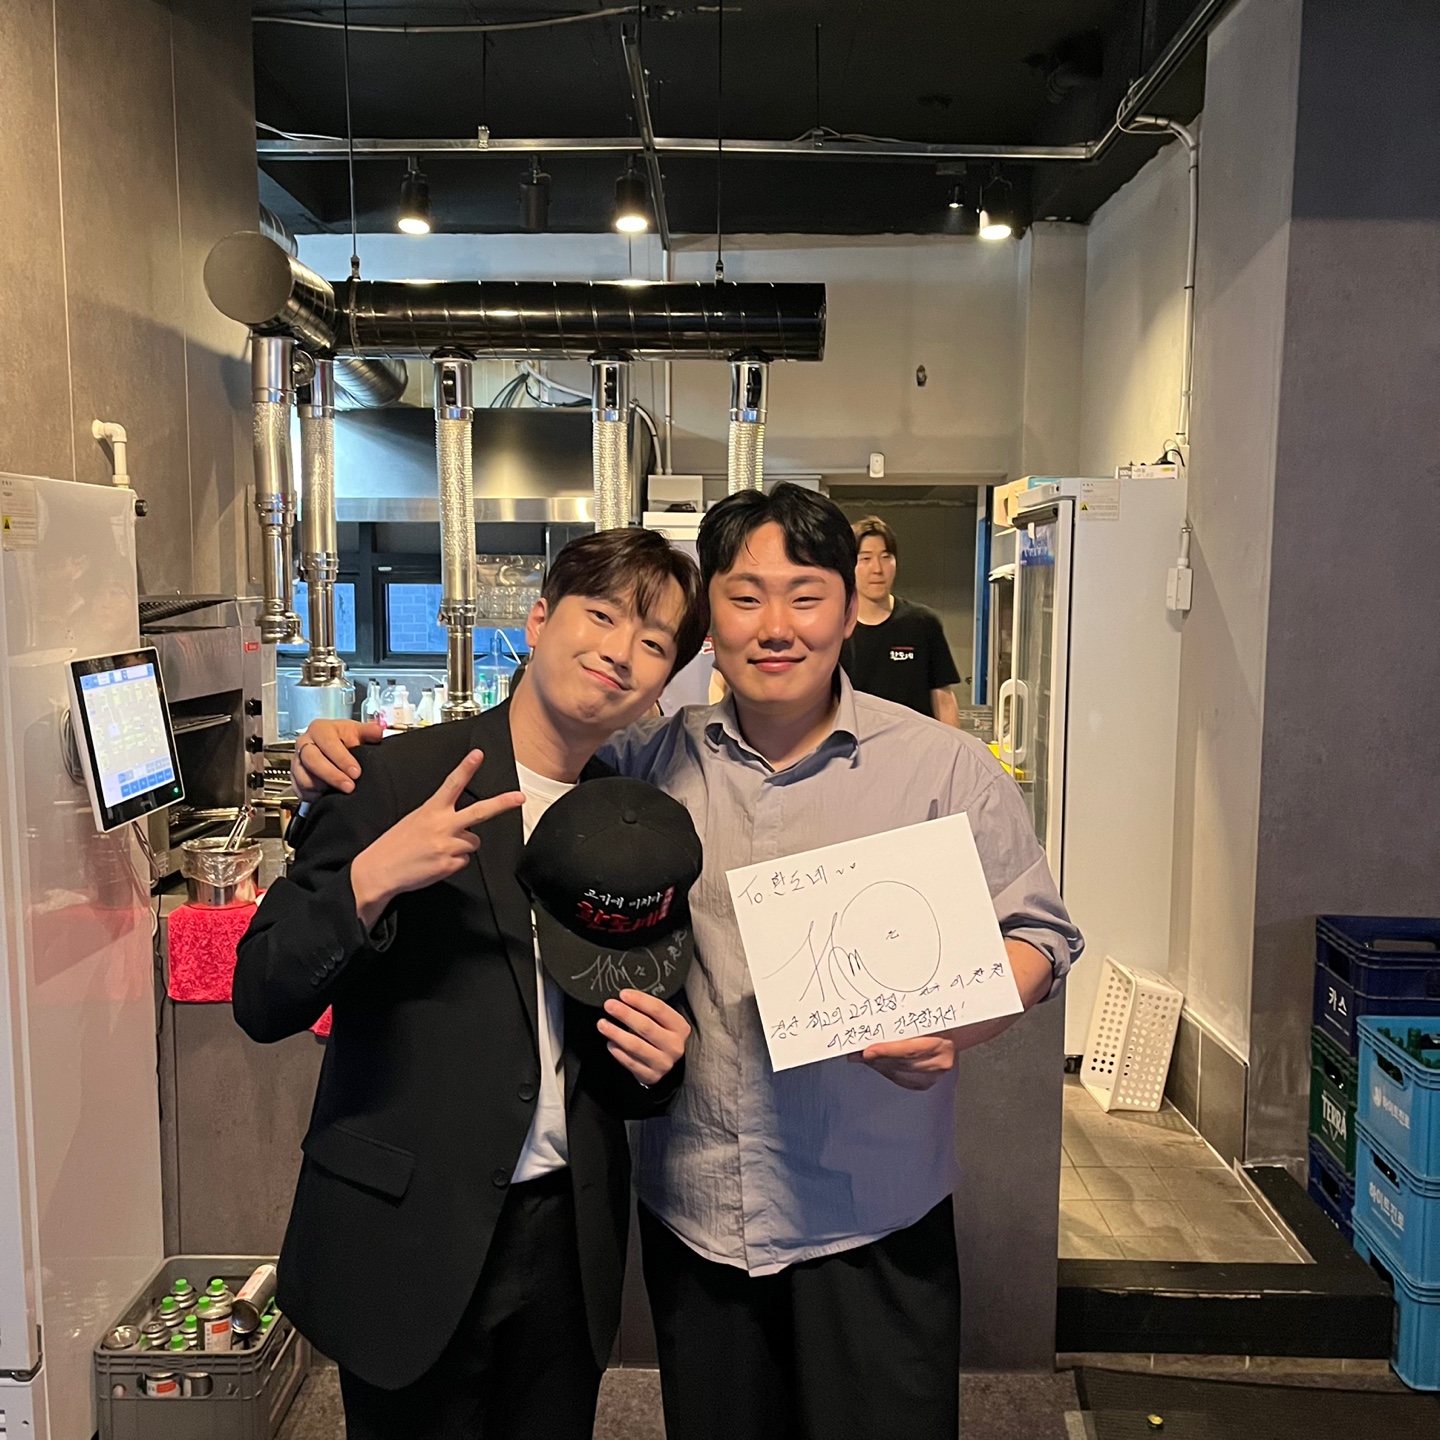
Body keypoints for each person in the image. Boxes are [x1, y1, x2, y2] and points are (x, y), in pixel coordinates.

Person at [294, 485, 1081, 1440]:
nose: (775, 626)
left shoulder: (942, 767)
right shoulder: (642, 766)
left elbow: (1038, 935)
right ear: (711, 626)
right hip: (701, 1221)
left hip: (873, 1215)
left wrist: (960, 1022)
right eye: (745, 597)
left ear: (850, 609)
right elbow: (532, 750)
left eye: (806, 596)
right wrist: (345, 757)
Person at [234, 527, 707, 1440]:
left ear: (662, 682)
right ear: (538, 619)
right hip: (410, 1232)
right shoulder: (393, 779)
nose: (620, 650)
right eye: (601, 615)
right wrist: (368, 880)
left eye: (653, 642)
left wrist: (662, 1062)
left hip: (567, 1242)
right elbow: (262, 994)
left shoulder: (634, 823)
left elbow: (625, 1026)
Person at [841, 513, 963, 725]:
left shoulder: (923, 623)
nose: (877, 569)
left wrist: (956, 743)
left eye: (886, 557)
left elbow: (943, 699)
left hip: (917, 742)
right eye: (866, 559)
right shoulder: (836, 629)